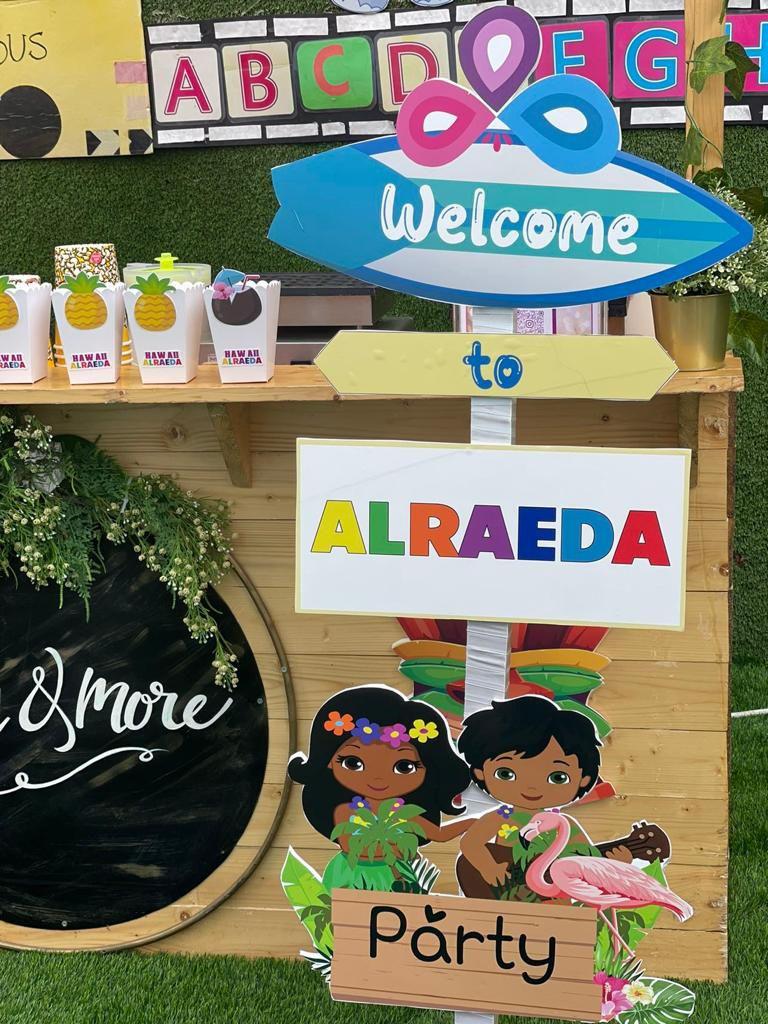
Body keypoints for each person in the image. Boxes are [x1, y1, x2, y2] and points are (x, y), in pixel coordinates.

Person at [457, 696, 670, 898]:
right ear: (480, 773)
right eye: (506, 773)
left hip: (556, 903)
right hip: (505, 897)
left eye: (557, 777)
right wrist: (488, 867)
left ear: (584, 779)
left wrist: (618, 863)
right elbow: (470, 844)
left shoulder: (564, 826)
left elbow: (588, 862)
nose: (532, 787)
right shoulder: (502, 817)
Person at [288, 684, 471, 892]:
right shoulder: (348, 811)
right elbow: (351, 846)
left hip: (401, 877)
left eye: (404, 767)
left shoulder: (404, 813)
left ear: (428, 769)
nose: (378, 779)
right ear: (329, 760)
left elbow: (439, 834)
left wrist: (476, 822)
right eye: (353, 763)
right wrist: (395, 849)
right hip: (354, 876)